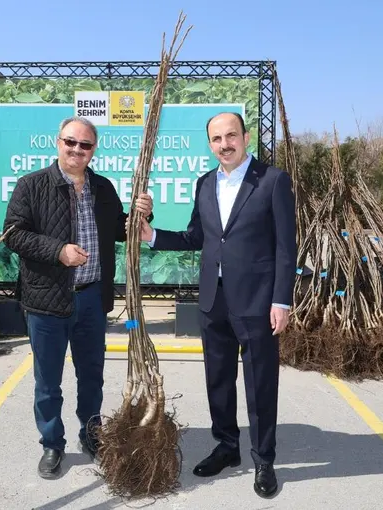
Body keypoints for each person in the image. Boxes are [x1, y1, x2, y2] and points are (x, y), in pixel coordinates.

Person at [138, 112, 296, 498]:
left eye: (231, 136)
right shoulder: (205, 183)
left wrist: (281, 300)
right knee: (218, 379)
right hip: (213, 298)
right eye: (216, 139)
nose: (224, 144)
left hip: (258, 300)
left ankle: (264, 460)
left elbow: (285, 247)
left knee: (261, 384)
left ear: (245, 137)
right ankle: (227, 447)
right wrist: (152, 234)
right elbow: (198, 237)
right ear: (209, 144)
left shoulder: (273, 181)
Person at [2, 116, 154, 480]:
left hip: (90, 300)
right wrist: (58, 251)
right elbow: (13, 234)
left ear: (93, 150)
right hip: (46, 302)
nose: (76, 150)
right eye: (71, 142)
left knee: (92, 376)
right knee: (48, 381)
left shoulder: (103, 188)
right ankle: (53, 444)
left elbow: (121, 230)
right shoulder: (32, 186)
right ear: (58, 142)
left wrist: (141, 213)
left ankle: (92, 435)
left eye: (84, 145)